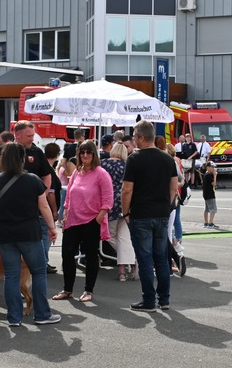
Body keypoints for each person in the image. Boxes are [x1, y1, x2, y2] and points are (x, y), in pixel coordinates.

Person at [0, 143, 61, 326]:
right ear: (22, 159)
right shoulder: (32, 179)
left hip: (4, 233)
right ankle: (42, 314)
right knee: (39, 271)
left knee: (11, 274)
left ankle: (13, 317)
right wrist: (52, 227)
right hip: (28, 232)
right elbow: (43, 205)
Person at [121, 120, 180, 312]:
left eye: (135, 136)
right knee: (161, 259)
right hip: (161, 214)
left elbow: (126, 190)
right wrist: (167, 205)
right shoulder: (167, 159)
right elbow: (174, 187)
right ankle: (164, 299)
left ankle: (148, 300)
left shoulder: (134, 159)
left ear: (140, 137)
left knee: (145, 259)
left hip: (141, 214)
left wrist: (126, 212)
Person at [54, 139, 113, 303]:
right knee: (67, 254)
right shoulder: (76, 172)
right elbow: (69, 196)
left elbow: (108, 201)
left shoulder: (101, 174)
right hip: (72, 220)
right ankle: (68, 289)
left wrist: (98, 219)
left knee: (91, 256)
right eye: (82, 152)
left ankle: (88, 290)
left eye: (89, 152)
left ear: (94, 154)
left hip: (91, 221)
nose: (85, 155)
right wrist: (65, 213)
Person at [13, 121, 56, 272]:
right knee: (12, 263)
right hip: (10, 211)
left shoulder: (37, 152)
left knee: (38, 244)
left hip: (34, 210)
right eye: (29, 136)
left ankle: (40, 266)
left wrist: (41, 195)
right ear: (17, 135)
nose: (32, 138)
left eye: (33, 135)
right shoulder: (5, 151)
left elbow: (47, 176)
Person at [103, 141, 135, 281]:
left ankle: (125, 268)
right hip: (125, 202)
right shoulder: (127, 165)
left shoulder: (103, 164)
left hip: (107, 202)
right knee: (124, 238)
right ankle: (128, 265)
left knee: (108, 235)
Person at [202, 162, 218, 228]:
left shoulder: (206, 174)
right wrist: (215, 175)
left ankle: (206, 222)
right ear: (208, 167)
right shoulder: (208, 175)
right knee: (213, 209)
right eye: (212, 167)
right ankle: (210, 223)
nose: (213, 169)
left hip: (206, 194)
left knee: (207, 209)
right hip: (210, 194)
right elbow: (214, 184)